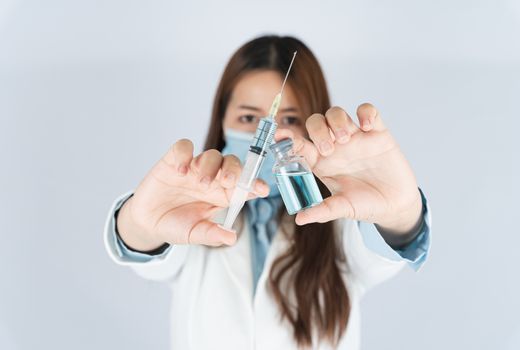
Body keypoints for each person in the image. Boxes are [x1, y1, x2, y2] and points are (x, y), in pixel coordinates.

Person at [103, 35, 431, 350]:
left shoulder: (340, 222)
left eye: (290, 118)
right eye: (247, 117)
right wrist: (140, 221)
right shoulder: (198, 212)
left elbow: (388, 244)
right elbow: (146, 248)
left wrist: (400, 211)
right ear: (221, 121)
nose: (271, 129)